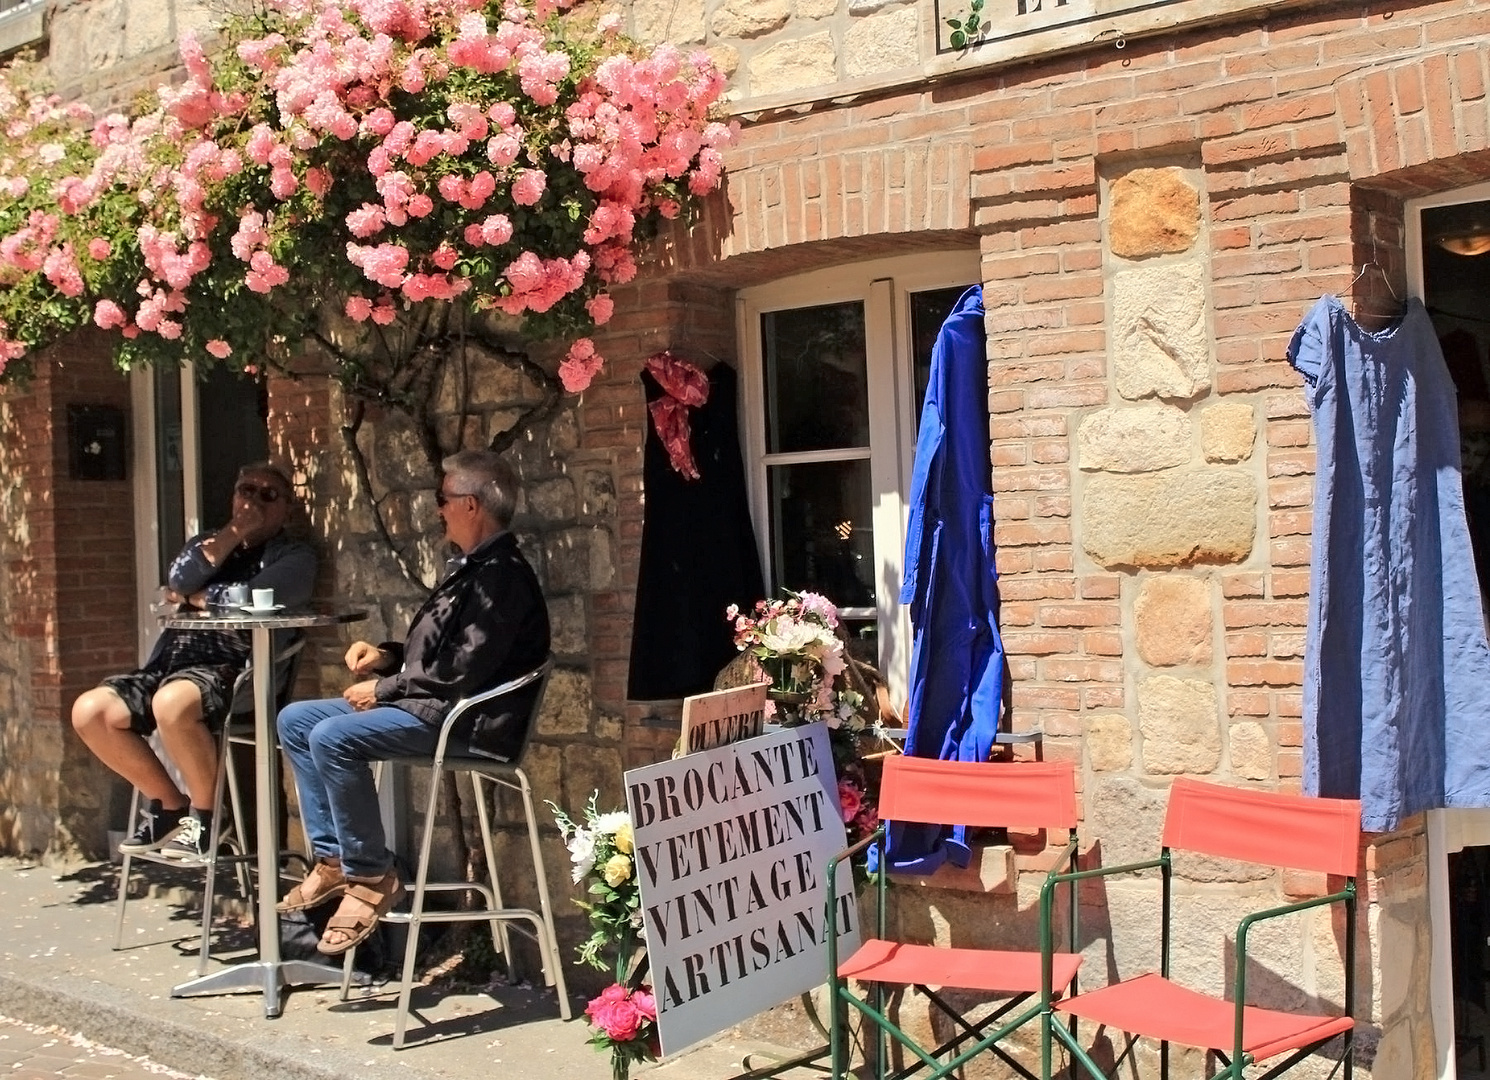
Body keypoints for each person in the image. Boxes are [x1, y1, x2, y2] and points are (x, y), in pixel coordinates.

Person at [275, 450, 550, 956]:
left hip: (468, 723)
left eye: (442, 499)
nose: (438, 510)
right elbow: (436, 659)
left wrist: (383, 690)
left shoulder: (502, 577)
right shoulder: (471, 568)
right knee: (296, 720)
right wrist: (384, 658)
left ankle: (370, 875)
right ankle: (337, 861)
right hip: (429, 708)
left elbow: (464, 671)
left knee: (332, 737)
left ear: (470, 504)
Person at [72, 463, 317, 861]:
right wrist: (233, 534)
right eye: (246, 491)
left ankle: (207, 817)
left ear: (287, 508)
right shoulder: (206, 544)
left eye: (268, 495)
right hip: (169, 666)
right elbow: (182, 578)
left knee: (171, 703)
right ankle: (170, 806)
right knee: (90, 711)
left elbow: (251, 600)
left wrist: (192, 598)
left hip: (233, 669)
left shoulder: (295, 556)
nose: (253, 500)